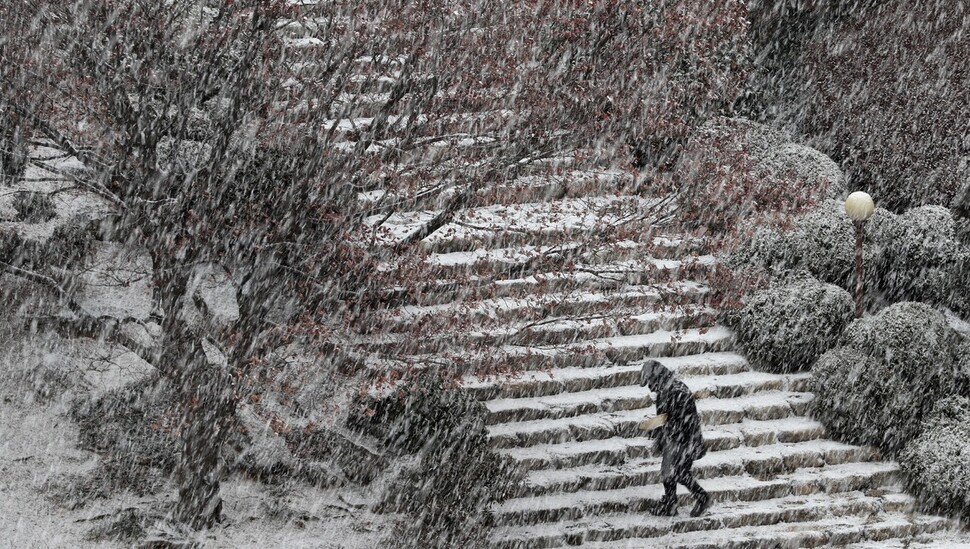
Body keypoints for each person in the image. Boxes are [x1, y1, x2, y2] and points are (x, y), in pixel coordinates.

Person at [639, 359, 710, 517]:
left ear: (657, 378)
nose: (650, 388)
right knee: (668, 471)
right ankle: (670, 504)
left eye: (650, 382)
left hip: (684, 441)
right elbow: (665, 417)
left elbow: (680, 421)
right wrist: (653, 428)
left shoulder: (676, 391)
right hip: (675, 440)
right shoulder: (665, 390)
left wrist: (663, 431)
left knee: (678, 472)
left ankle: (701, 497)